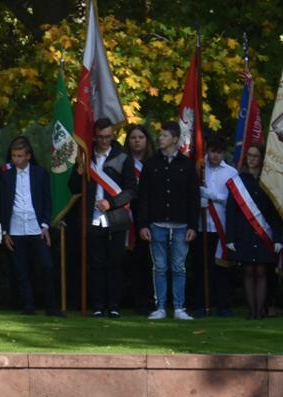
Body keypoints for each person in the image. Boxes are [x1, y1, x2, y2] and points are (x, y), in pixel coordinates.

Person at [71, 117, 135, 318]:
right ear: (94, 136)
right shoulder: (85, 155)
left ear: (113, 135)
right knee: (95, 265)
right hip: (91, 219)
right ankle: (97, 306)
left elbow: (131, 190)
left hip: (115, 218)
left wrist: (111, 203)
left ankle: (114, 306)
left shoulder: (123, 157)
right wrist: (78, 173)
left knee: (115, 264)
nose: (104, 141)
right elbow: (73, 188)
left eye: (108, 136)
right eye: (100, 137)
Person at [136, 122, 198, 320]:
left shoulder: (187, 165)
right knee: (160, 267)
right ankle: (160, 306)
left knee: (179, 267)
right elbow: (143, 197)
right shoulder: (151, 164)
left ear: (175, 139)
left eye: (164, 135)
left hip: (181, 224)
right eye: (160, 135)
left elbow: (193, 197)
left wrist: (193, 225)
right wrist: (143, 224)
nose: (160, 138)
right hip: (157, 223)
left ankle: (179, 307)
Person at [0, 136, 54, 315]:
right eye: (13, 156)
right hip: (16, 228)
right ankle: (28, 306)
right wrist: (4, 230)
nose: (16, 160)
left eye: (20, 156)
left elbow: (47, 200)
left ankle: (52, 307)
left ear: (28, 156)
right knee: (21, 269)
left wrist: (45, 225)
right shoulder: (6, 175)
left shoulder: (40, 173)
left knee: (47, 266)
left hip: (37, 227)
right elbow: (0, 203)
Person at [224, 145, 283, 320]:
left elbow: (275, 211)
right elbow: (231, 211)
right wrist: (230, 237)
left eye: (256, 156)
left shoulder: (268, 181)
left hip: (264, 234)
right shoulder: (238, 181)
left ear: (262, 159)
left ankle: (260, 311)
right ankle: (252, 311)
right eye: (249, 155)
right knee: (248, 272)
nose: (252, 159)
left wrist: (278, 237)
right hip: (244, 232)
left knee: (261, 272)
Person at [198, 136, 239, 316]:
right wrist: (199, 199)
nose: (215, 156)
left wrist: (212, 196)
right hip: (202, 226)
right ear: (207, 151)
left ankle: (224, 305)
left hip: (222, 227)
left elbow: (234, 200)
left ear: (224, 154)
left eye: (219, 152)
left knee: (223, 268)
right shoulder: (199, 169)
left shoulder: (231, 172)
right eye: (212, 151)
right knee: (202, 267)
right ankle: (202, 304)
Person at [122, 124, 155, 315]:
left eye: (141, 137)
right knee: (131, 262)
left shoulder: (154, 162)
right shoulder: (122, 162)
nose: (137, 141)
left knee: (148, 261)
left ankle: (149, 300)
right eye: (133, 137)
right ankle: (132, 300)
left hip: (149, 218)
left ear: (147, 140)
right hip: (127, 216)